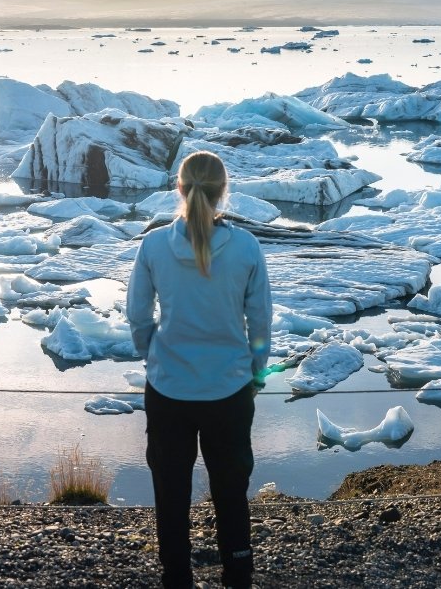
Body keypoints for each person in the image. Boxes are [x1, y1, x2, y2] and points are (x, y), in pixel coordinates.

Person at [127, 150, 272, 589]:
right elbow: (260, 320)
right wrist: (256, 373)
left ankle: (177, 576)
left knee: (170, 492)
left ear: (180, 188)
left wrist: (153, 355)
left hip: (169, 390)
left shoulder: (153, 245)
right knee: (231, 490)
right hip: (228, 391)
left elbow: (138, 315)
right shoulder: (246, 246)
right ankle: (238, 573)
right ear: (223, 190)